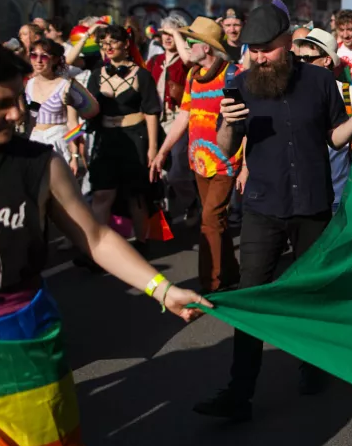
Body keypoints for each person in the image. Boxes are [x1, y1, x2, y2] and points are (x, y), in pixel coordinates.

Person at [0, 38, 209, 446]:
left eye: (20, 99)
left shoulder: (38, 165)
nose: (19, 114)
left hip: (22, 349)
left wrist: (162, 288)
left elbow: (96, 237)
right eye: (1, 105)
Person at [194, 4, 352, 420]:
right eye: (253, 50)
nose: (259, 57)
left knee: (312, 293)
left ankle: (312, 366)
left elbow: (333, 137)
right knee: (252, 297)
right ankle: (239, 392)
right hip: (262, 207)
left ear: (287, 44)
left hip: (313, 205)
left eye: (266, 50)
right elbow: (225, 148)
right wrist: (225, 123)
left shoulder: (320, 81)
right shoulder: (239, 85)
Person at [148, 17, 241, 294]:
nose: (187, 47)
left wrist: (245, 164)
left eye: (192, 42)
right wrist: (163, 151)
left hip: (226, 161)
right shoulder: (192, 76)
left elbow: (244, 122)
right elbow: (183, 117)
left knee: (210, 220)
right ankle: (230, 273)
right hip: (199, 162)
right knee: (216, 222)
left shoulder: (232, 74)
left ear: (207, 47)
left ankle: (209, 285)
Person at [83, 25, 162, 252]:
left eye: (113, 42)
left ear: (126, 44)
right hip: (106, 138)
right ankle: (95, 250)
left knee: (136, 195)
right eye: (103, 43)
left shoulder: (142, 75)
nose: (108, 47)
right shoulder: (96, 75)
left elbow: (151, 112)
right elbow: (90, 111)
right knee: (101, 193)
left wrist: (153, 148)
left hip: (135, 138)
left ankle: (141, 242)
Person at [293, 28, 352, 213]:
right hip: (300, 196)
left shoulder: (350, 94)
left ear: (327, 60)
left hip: (338, 195)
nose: (301, 64)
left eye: (307, 59)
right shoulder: (289, 92)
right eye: (298, 59)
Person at [23, 38, 98, 172]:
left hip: (58, 142)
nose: (38, 61)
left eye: (44, 57)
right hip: (34, 142)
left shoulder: (65, 85)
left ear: (55, 59)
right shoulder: (28, 84)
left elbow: (73, 124)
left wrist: (74, 156)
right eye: (34, 55)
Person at [147, 14, 191, 116]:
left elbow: (188, 61)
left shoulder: (185, 60)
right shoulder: (154, 60)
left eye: (172, 34)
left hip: (177, 116)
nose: (168, 38)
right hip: (155, 115)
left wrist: (176, 33)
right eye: (165, 33)